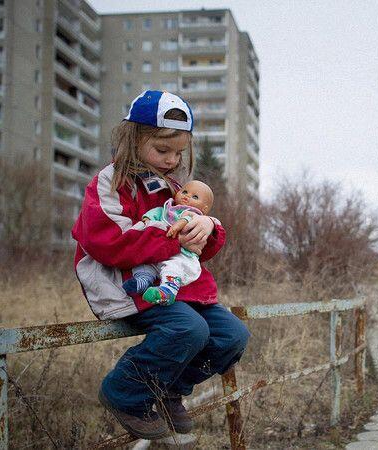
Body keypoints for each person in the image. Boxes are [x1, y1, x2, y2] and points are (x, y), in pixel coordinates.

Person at [71, 91, 250, 439]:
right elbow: (109, 244)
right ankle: (124, 393)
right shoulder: (110, 183)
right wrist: (174, 238)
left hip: (177, 288)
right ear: (134, 139)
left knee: (232, 336)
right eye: (162, 150)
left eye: (179, 153)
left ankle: (168, 389)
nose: (171, 160)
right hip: (129, 285)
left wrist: (208, 228)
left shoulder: (174, 189)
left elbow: (195, 253)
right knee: (190, 330)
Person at [122, 180, 215, 306]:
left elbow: (188, 218)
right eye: (185, 192)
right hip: (160, 254)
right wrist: (147, 219)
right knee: (146, 265)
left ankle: (168, 291)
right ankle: (142, 281)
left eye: (195, 197)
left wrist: (179, 224)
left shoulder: (195, 215)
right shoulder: (168, 208)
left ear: (204, 208)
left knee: (173, 268)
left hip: (183, 257)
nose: (187, 196)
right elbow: (157, 213)